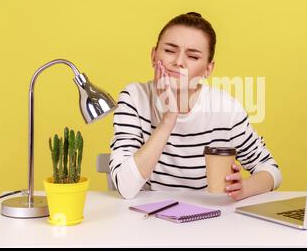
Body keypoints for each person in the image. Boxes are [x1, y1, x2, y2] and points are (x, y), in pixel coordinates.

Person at [109, 12, 282, 200]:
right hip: (148, 217)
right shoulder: (134, 98)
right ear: (153, 55)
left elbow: (271, 170)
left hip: (207, 218)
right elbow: (125, 187)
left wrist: (244, 188)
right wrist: (169, 117)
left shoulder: (226, 109)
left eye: (192, 56)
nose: (178, 62)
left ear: (208, 69)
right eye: (169, 51)